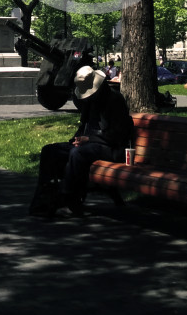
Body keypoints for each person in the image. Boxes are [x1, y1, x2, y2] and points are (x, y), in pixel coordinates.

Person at [30, 65, 133, 219]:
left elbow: (117, 135)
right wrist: (76, 139)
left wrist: (88, 139)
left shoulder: (115, 100)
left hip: (111, 148)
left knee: (78, 153)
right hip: (90, 145)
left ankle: (68, 196)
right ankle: (45, 193)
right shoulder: (90, 102)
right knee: (50, 150)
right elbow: (83, 127)